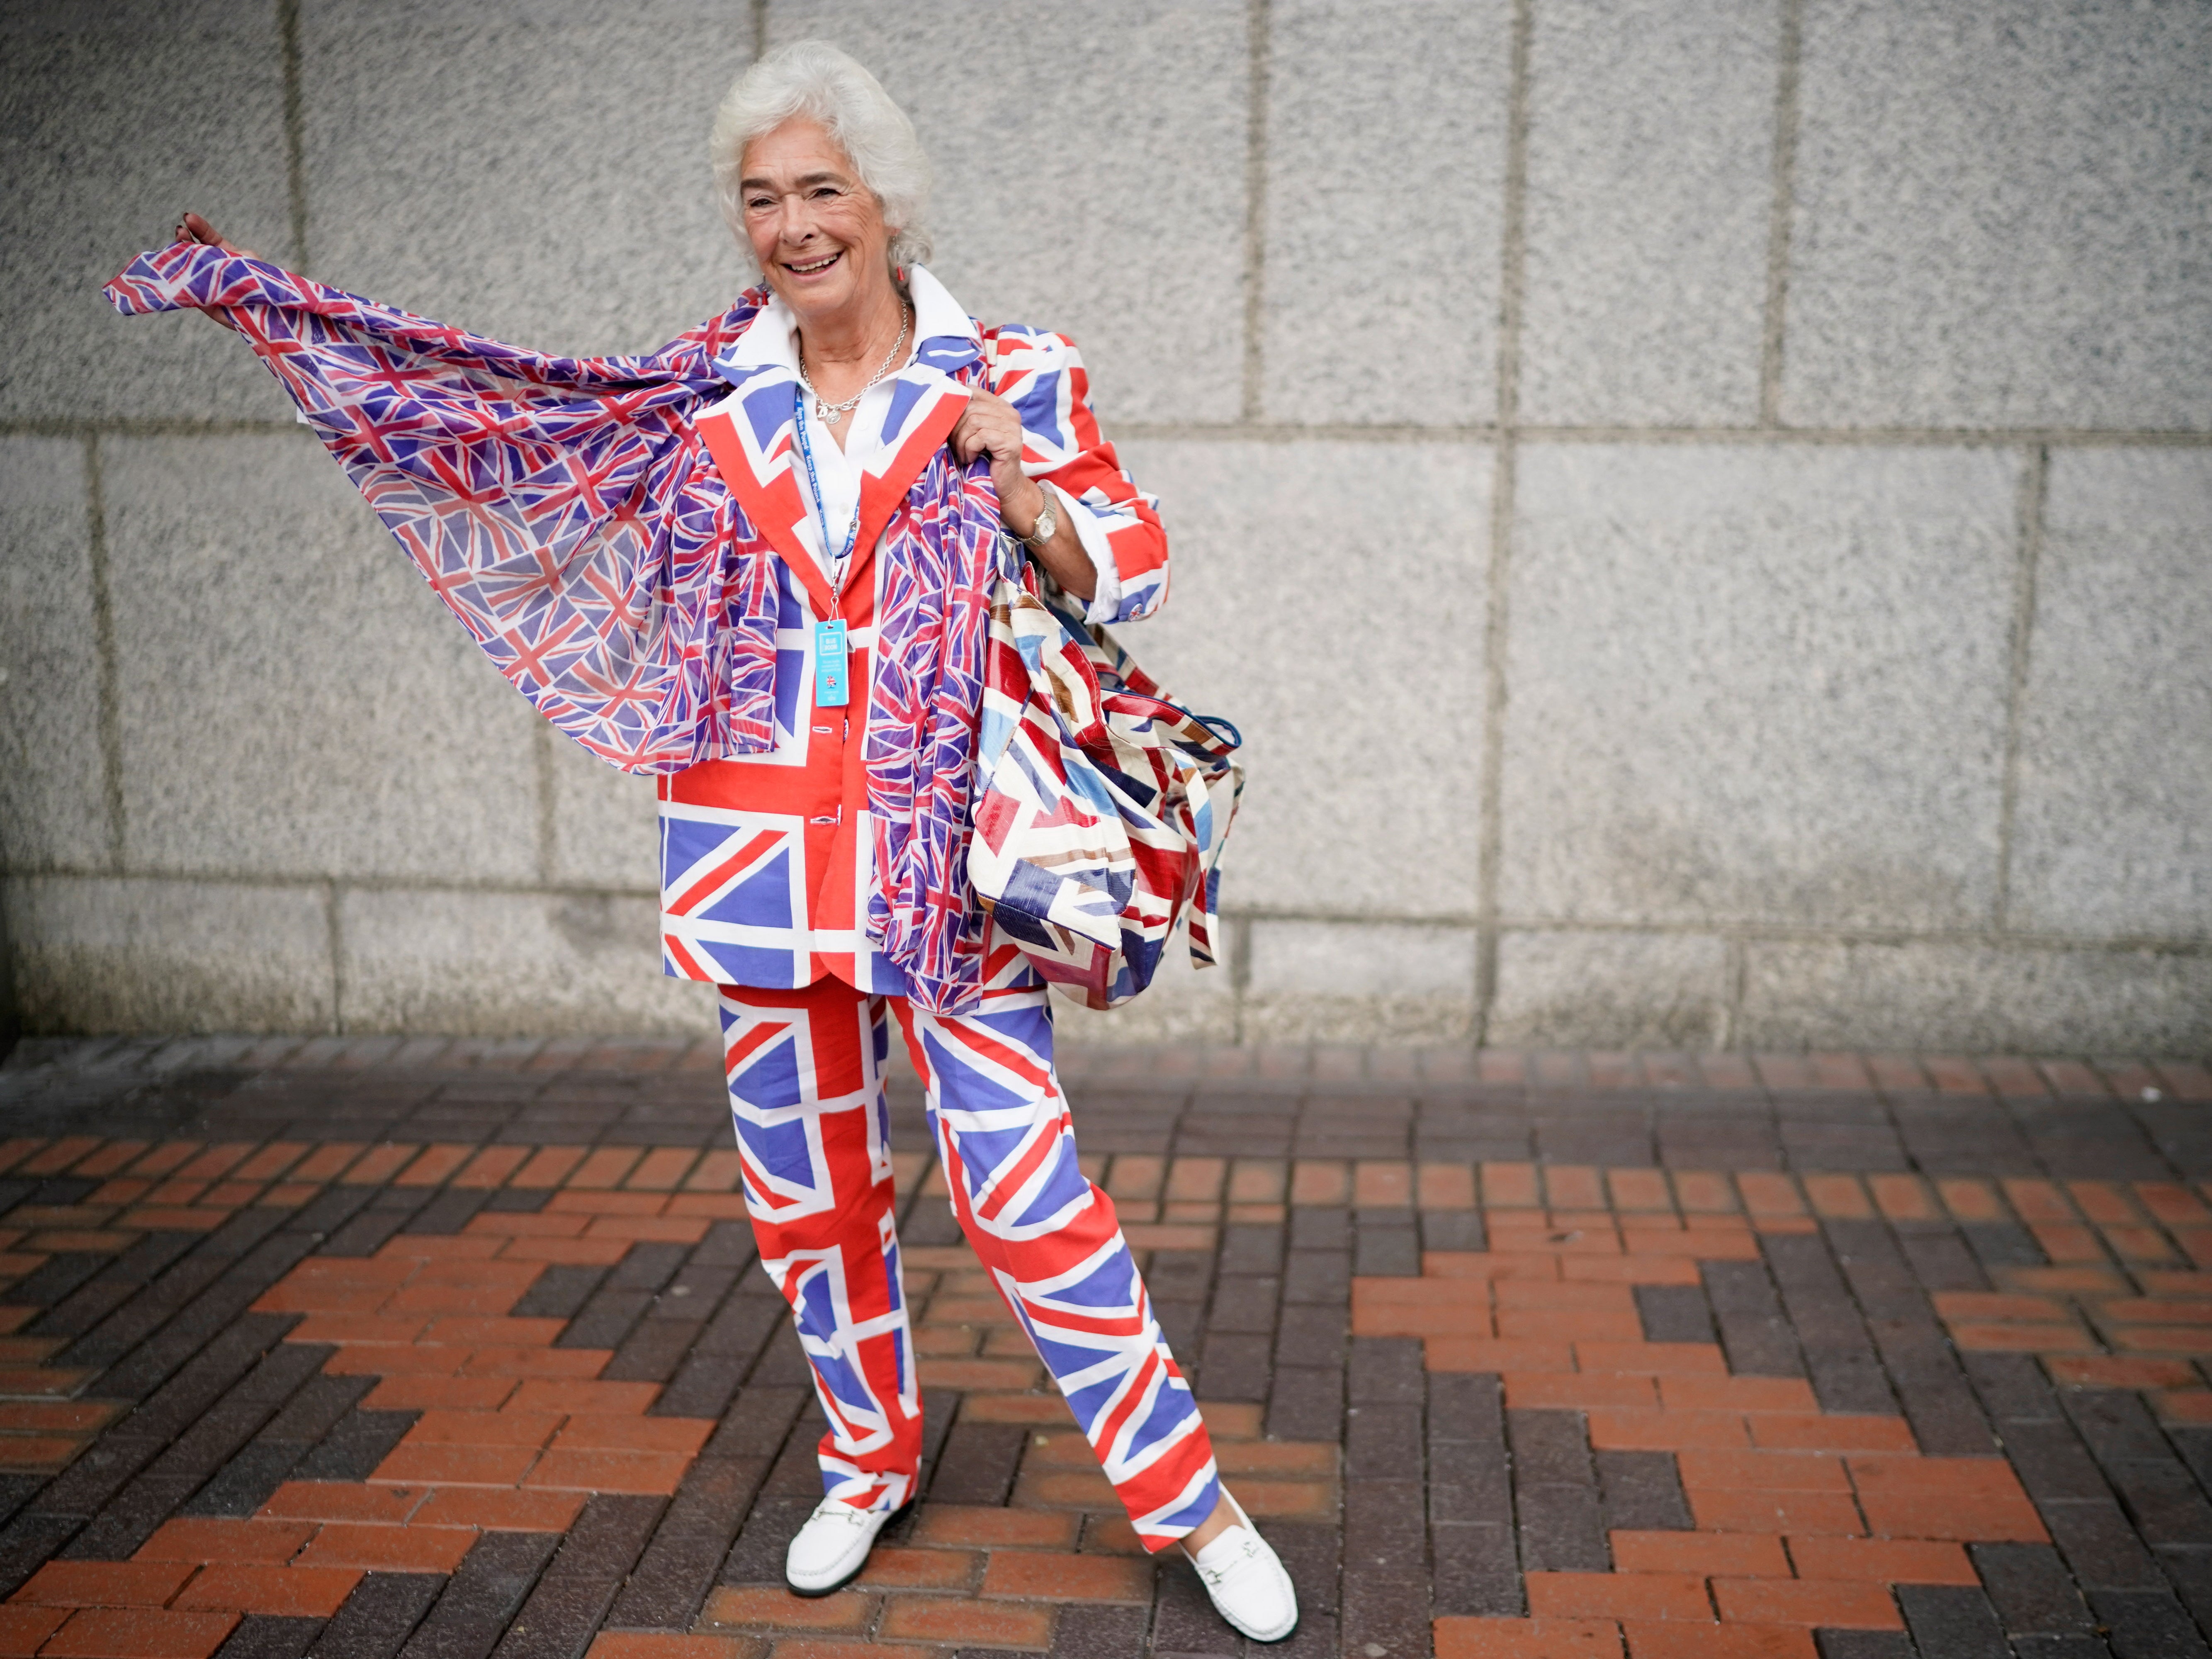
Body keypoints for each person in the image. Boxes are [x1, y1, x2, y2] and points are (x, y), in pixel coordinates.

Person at [127, 39, 1296, 1645]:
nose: (794, 225)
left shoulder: (1007, 368)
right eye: (762, 199)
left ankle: (1190, 1504)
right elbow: (497, 420)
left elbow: (1130, 560)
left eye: (821, 189)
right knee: (805, 1193)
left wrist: (1022, 491)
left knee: (1025, 1192)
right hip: (752, 853)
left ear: (884, 203)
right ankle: (870, 1456)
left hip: (943, 866)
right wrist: (274, 311)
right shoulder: (705, 386)